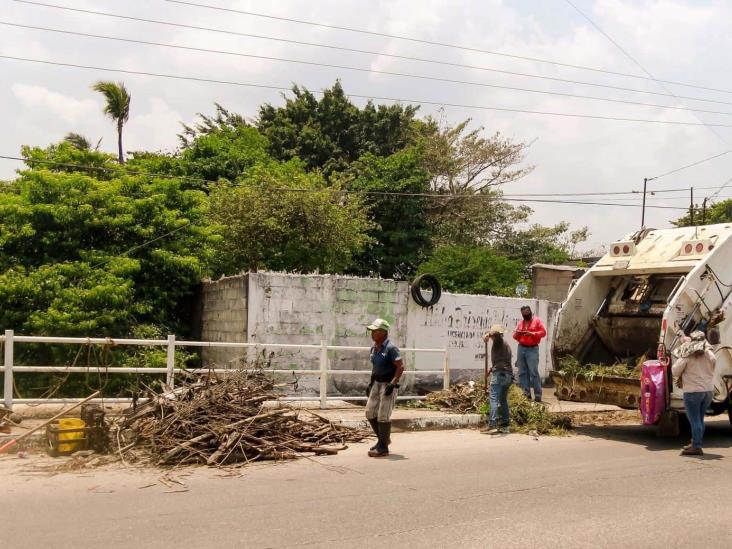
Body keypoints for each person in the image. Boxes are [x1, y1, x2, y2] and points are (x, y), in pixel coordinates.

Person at [672, 331, 716, 456]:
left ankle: (696, 446)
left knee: (695, 420)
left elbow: (675, 371)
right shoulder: (710, 354)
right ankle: (695, 442)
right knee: (700, 419)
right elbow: (713, 362)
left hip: (692, 392)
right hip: (707, 391)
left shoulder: (687, 355)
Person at [364, 318, 404, 458]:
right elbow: (375, 368)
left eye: (375, 331)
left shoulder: (391, 348)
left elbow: (400, 367)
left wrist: (393, 383)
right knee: (369, 412)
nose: (372, 333)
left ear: (383, 332)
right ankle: (383, 440)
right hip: (376, 383)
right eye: (372, 331)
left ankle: (383, 447)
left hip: (388, 384)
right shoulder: (374, 349)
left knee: (383, 415)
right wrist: (370, 384)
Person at [481, 324, 513, 435]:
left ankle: (493, 424)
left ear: (494, 336)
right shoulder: (506, 344)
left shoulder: (497, 342)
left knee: (493, 399)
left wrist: (487, 336)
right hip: (508, 375)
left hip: (499, 375)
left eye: (492, 336)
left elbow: (489, 336)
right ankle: (505, 425)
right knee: (503, 400)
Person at [512, 305, 547, 402]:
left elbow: (543, 332)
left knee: (533, 372)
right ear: (522, 314)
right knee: (522, 372)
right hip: (521, 348)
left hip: (532, 349)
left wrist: (533, 334)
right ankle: (526, 393)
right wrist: (518, 332)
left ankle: (538, 394)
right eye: (524, 312)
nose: (526, 314)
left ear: (530, 312)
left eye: (527, 312)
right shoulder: (521, 323)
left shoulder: (537, 321)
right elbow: (514, 336)